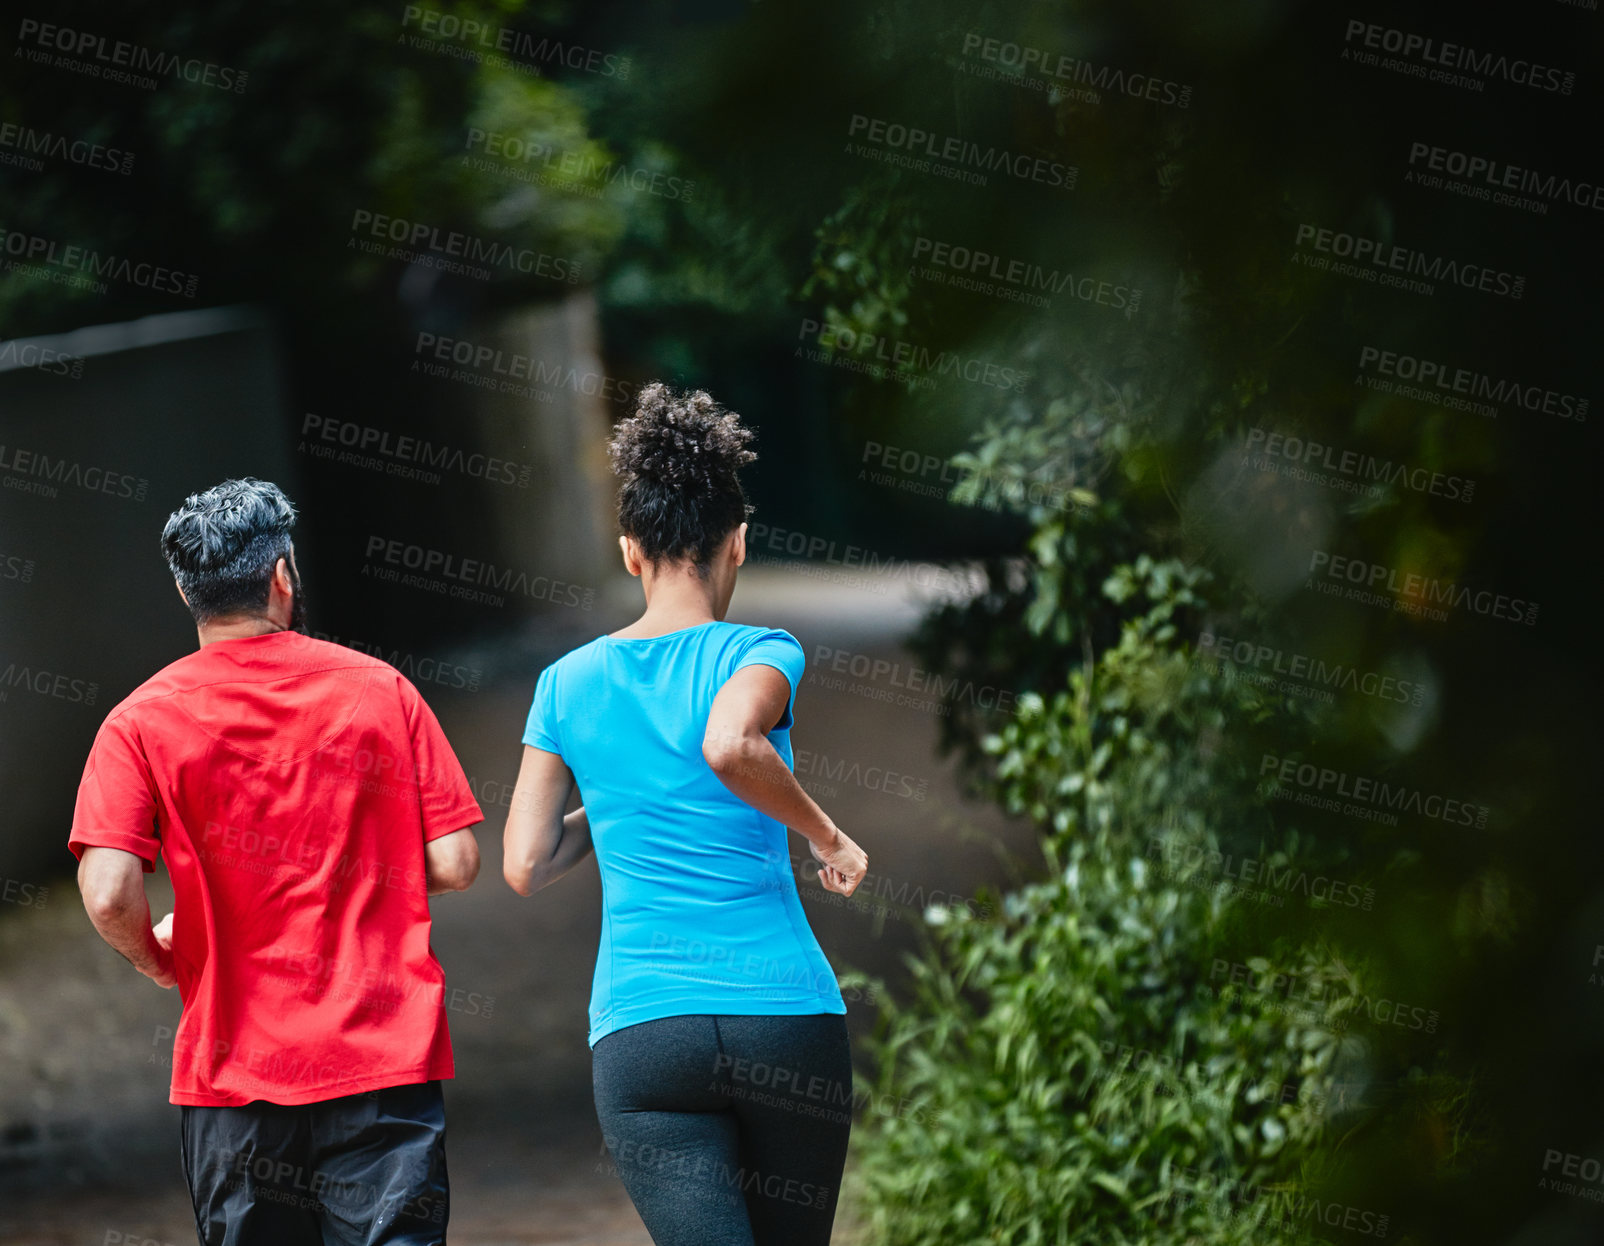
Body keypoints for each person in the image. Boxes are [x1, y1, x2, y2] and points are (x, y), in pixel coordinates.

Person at [70, 477, 483, 1246]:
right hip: (382, 1063)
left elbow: (105, 892)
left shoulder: (138, 722)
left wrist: (156, 957)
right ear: (282, 576)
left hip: (232, 1081)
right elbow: (456, 861)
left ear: (186, 592)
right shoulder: (382, 690)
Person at [502, 383, 870, 1246]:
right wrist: (828, 834)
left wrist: (619, 804)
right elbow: (730, 743)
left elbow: (524, 863)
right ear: (737, 542)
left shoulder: (565, 684)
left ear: (630, 552)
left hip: (643, 1033)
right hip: (783, 1017)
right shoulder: (761, 651)